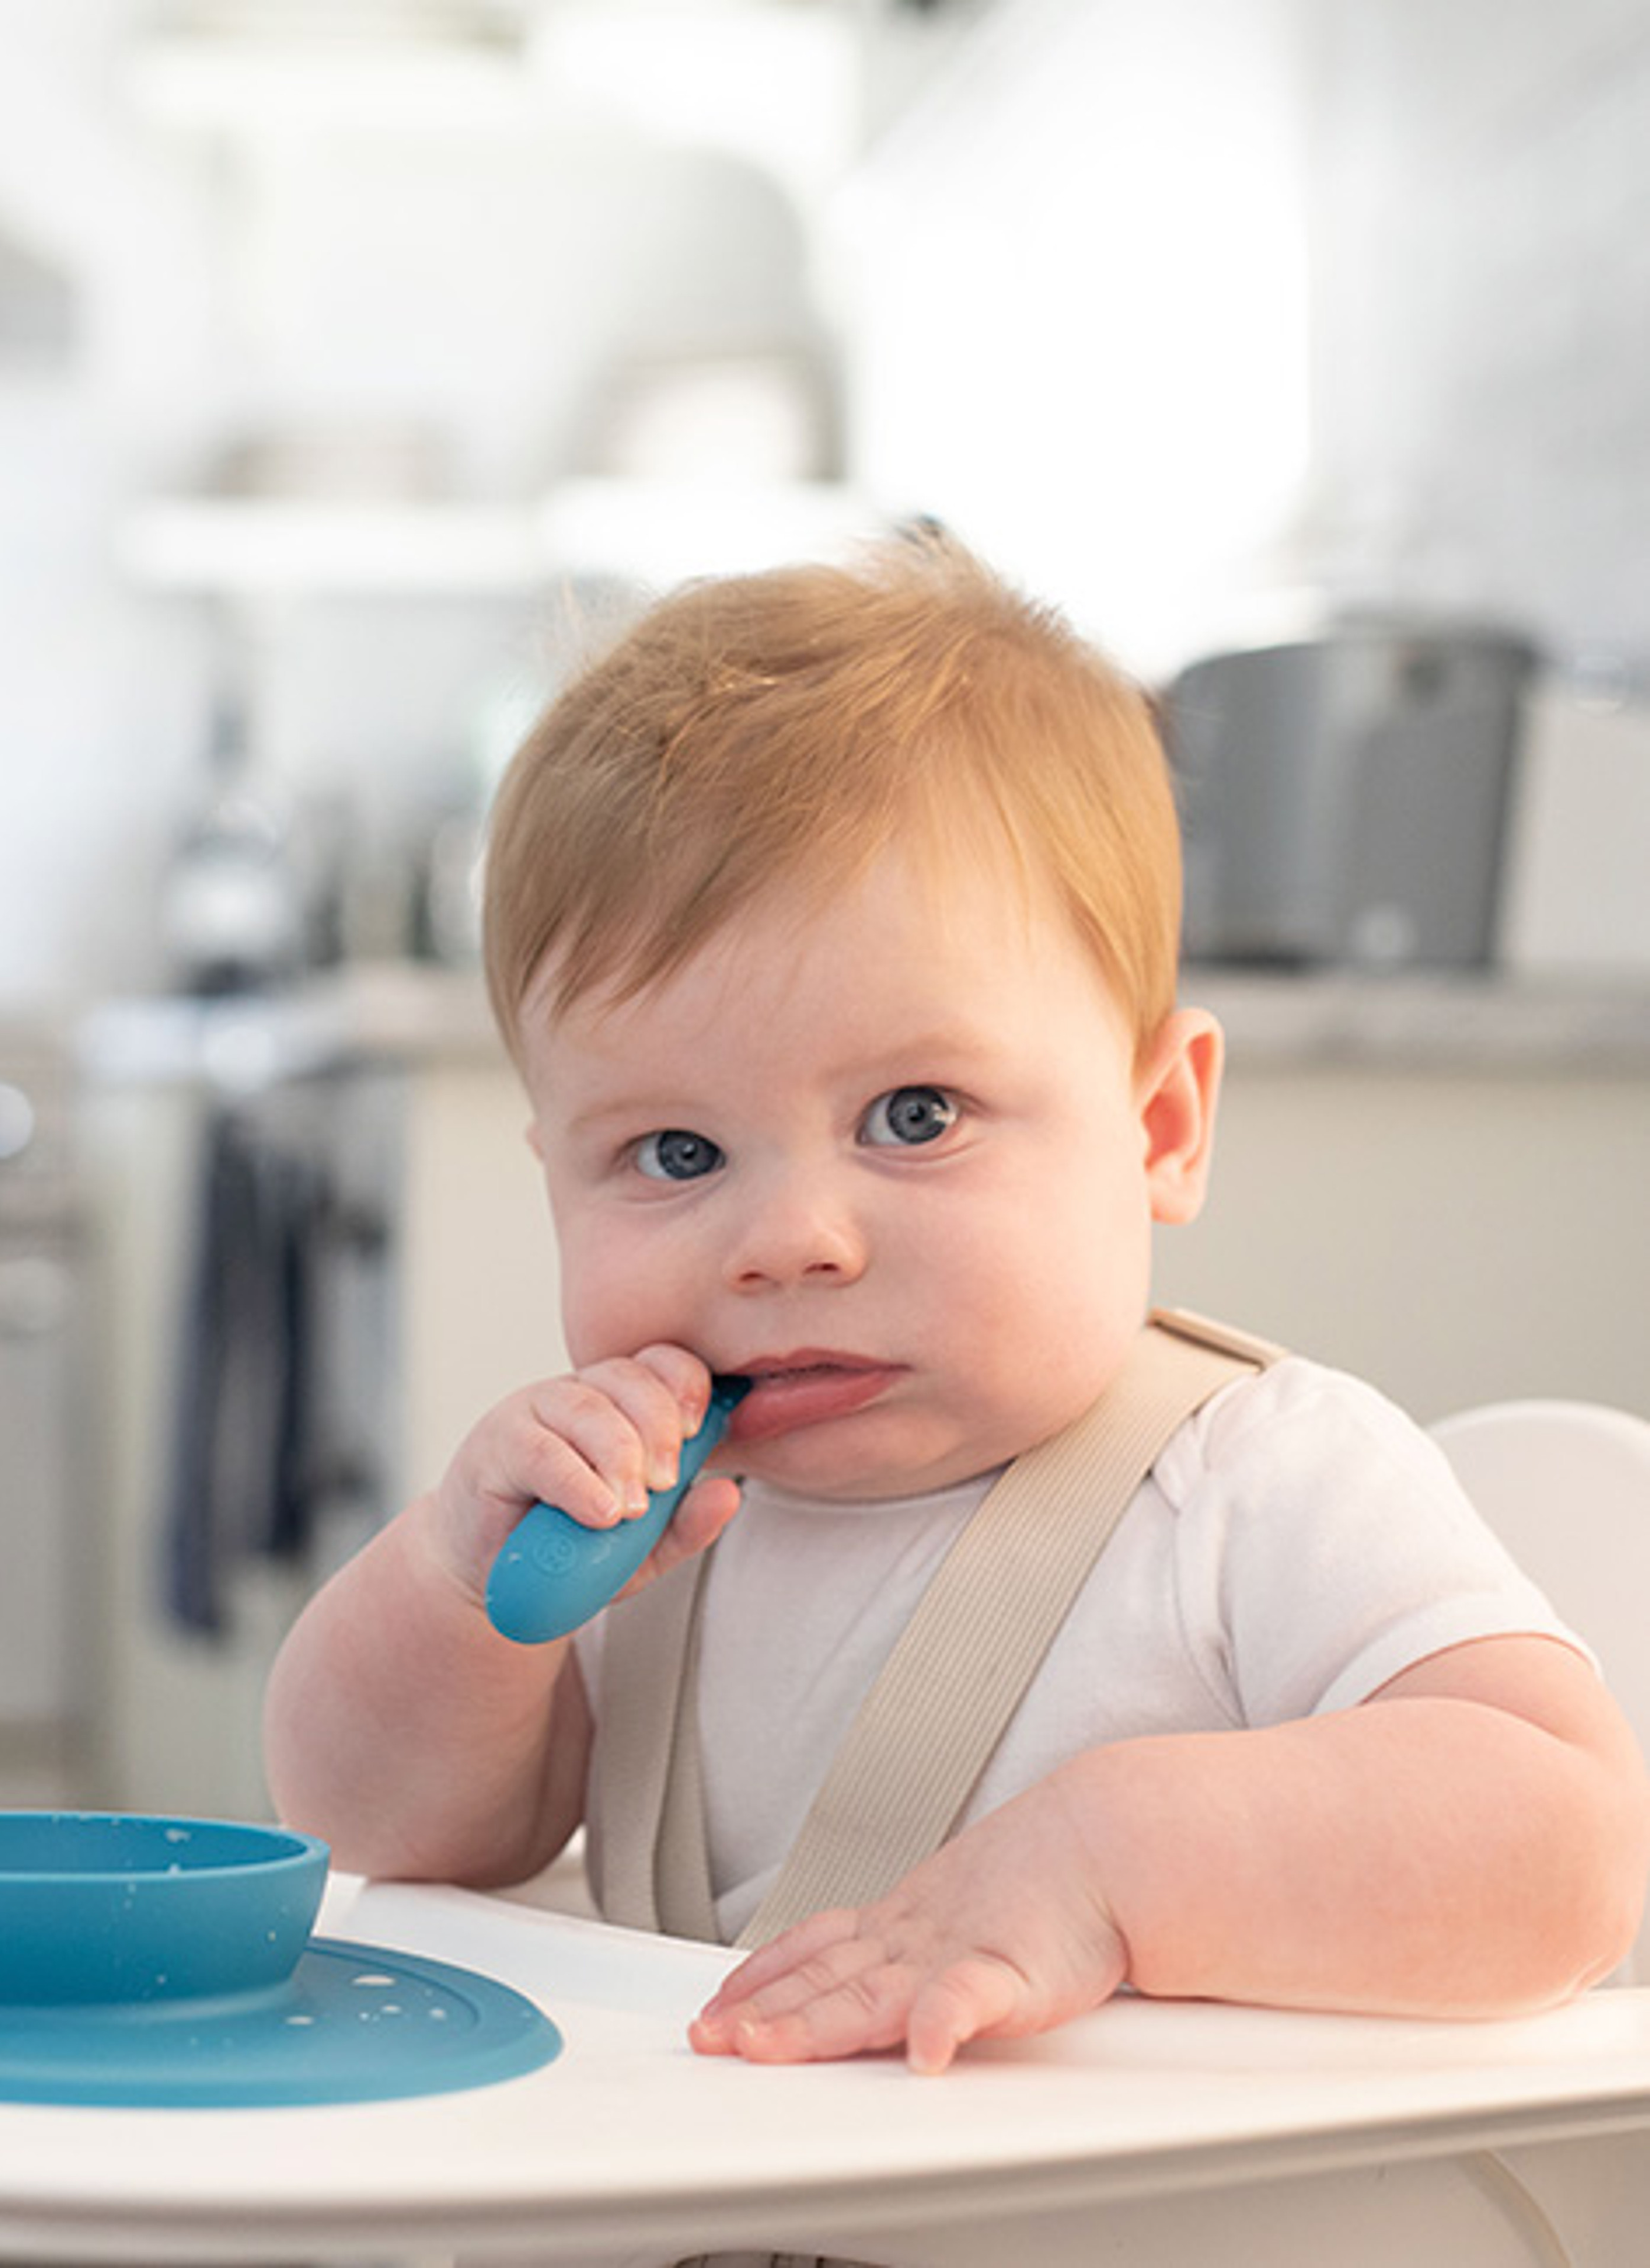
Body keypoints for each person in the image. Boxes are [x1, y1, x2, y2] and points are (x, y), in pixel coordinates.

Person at [262, 533, 1649, 2078]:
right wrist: (457, 1587)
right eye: (675, 1152)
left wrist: (1115, 1863)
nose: (788, 1239)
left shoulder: (1255, 1485)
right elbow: (375, 1829)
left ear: (1160, 1129)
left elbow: (1572, 1849)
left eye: (916, 1115)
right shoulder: (641, 1534)